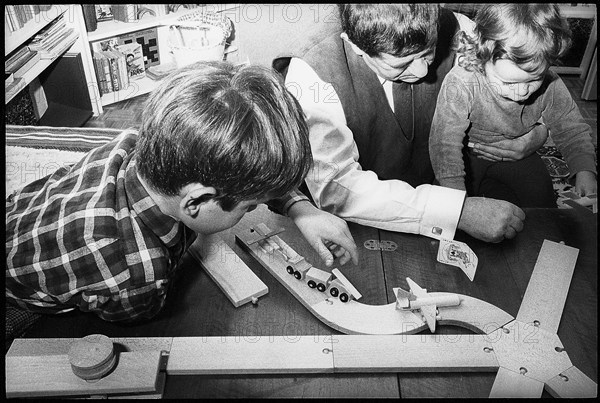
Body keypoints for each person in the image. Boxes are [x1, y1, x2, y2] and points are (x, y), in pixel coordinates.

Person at [5, 61, 358, 324]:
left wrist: (302, 209)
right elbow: (134, 322)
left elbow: (250, 172)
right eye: (250, 207)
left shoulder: (137, 143)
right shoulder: (137, 275)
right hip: (21, 286)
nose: (253, 210)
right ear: (195, 201)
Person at [274, 4, 550, 243]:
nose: (423, 71)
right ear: (356, 45)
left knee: (538, 200)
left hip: (442, 174)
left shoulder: (459, 28)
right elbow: (336, 188)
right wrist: (455, 211)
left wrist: (538, 133)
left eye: (428, 52)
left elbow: (526, 72)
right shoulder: (312, 72)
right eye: (403, 63)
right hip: (365, 204)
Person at [429, 3, 597, 207]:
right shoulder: (460, 82)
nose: (521, 92)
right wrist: (456, 198)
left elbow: (571, 127)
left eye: (533, 80)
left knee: (544, 205)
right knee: (445, 207)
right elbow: (444, 143)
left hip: (519, 156)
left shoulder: (551, 82)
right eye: (508, 82)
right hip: (466, 155)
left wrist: (585, 171)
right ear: (482, 57)